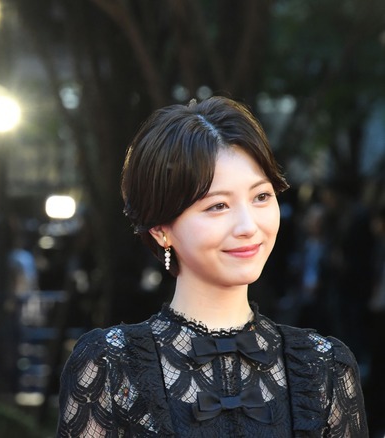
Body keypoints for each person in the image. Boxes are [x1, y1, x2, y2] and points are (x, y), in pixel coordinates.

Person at [56, 96, 367, 437]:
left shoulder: (325, 368)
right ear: (161, 229)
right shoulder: (110, 365)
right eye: (218, 205)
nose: (248, 225)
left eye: (261, 196)